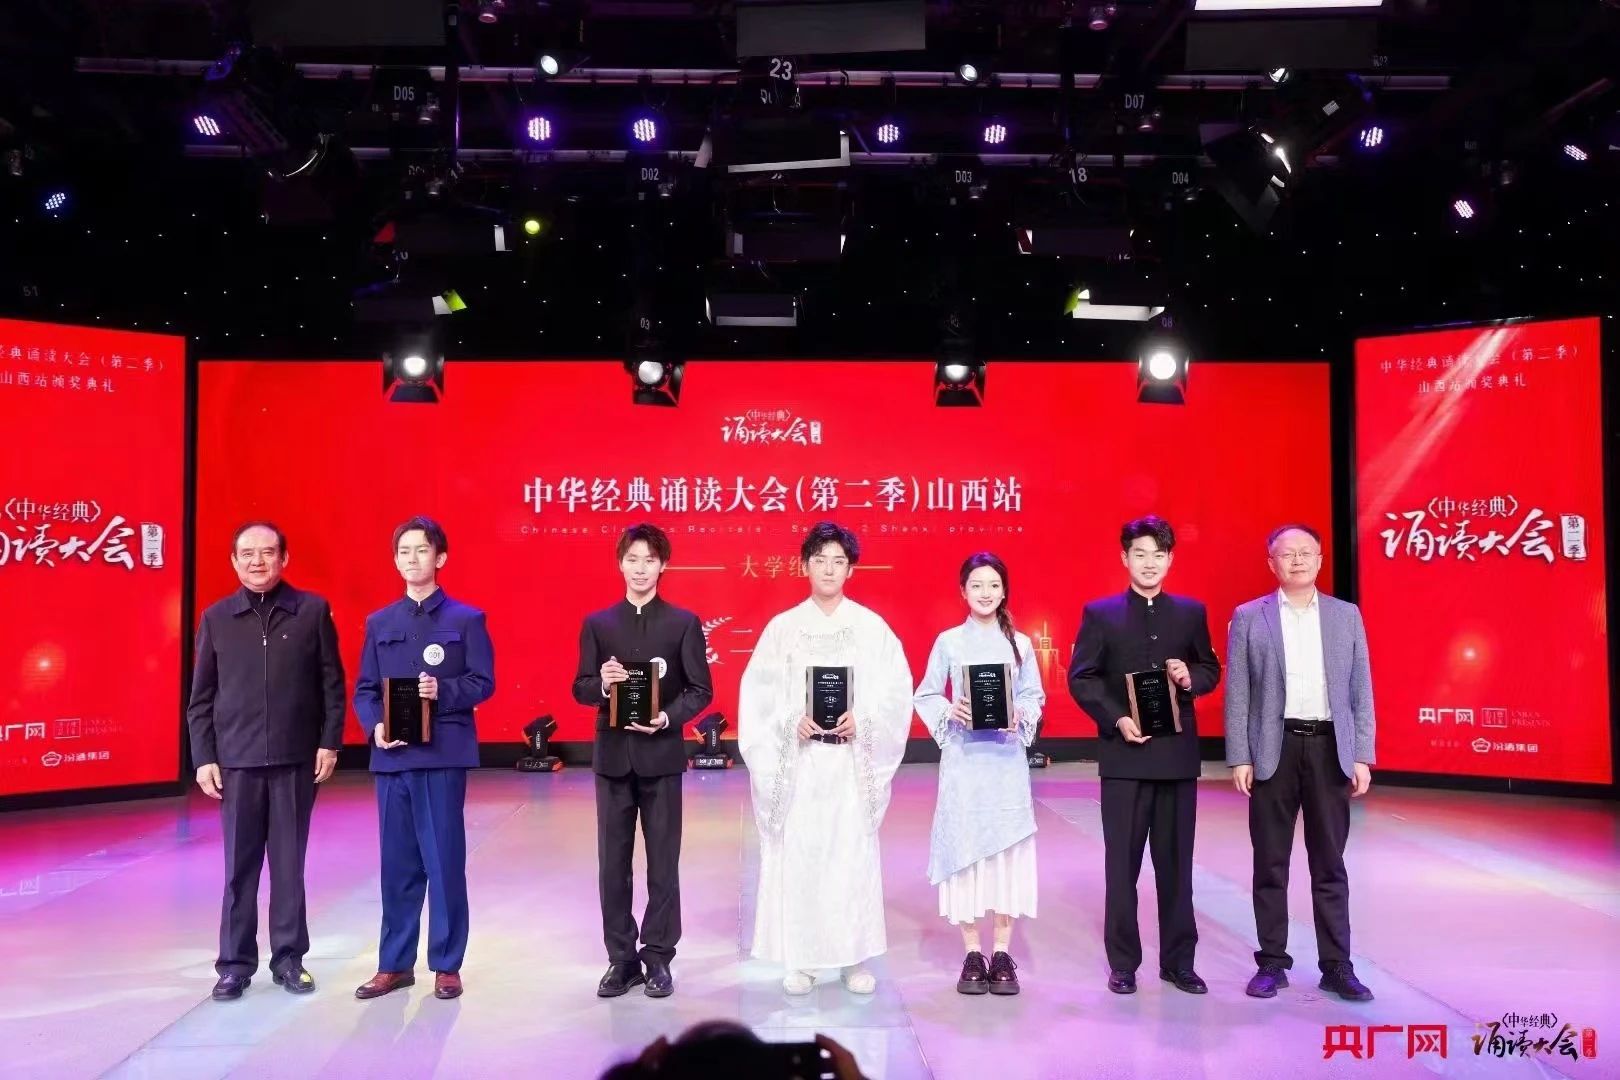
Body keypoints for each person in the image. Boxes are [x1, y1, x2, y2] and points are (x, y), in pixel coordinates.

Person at [737, 521, 913, 996]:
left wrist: (866, 718)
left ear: (851, 569)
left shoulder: (871, 628)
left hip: (851, 766)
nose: (829, 569)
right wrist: (789, 720)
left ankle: (853, 956)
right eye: (820, 560)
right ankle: (806, 958)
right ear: (805, 566)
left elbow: (896, 692)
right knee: (804, 857)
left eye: (839, 561)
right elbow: (757, 698)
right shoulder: (784, 629)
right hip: (802, 764)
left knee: (850, 859)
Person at [187, 522, 345, 1001]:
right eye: (248, 554)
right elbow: (201, 698)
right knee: (239, 869)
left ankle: (289, 960)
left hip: (296, 761)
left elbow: (332, 685)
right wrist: (204, 757)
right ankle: (234, 965)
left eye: (268, 552)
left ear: (284, 558)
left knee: (288, 866)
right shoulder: (217, 618)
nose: (258, 561)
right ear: (234, 561)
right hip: (236, 764)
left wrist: (329, 742)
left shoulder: (311, 611)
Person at [1067, 515, 1221, 996]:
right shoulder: (1101, 613)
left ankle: (1179, 963)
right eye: (1140, 554)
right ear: (1124, 558)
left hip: (1176, 760)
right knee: (1122, 868)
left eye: (1158, 554)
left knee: (1177, 867)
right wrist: (1116, 718)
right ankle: (1123, 964)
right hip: (1124, 760)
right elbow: (1082, 677)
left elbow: (1210, 668)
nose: (1149, 563)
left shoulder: (1190, 612)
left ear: (1170, 559)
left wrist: (1190, 678)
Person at [1225, 523, 1377, 1002]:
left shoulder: (1345, 615)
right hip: (1275, 748)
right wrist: (1240, 755)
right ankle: (1272, 962)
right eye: (1287, 554)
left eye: (1306, 553)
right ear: (1271, 563)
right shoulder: (1249, 616)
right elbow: (1239, 692)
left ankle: (1337, 966)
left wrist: (1362, 753)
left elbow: (1361, 688)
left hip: (1330, 748)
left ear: (1320, 560)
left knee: (1329, 863)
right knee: (1270, 862)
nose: (1297, 560)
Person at [352, 516, 495, 1002]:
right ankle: (394, 964)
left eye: (421, 550)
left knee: (444, 862)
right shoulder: (380, 623)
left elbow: (483, 683)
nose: (412, 559)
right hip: (393, 759)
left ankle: (447, 964)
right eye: (404, 552)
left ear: (440, 557)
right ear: (395, 561)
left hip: (441, 757)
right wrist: (374, 726)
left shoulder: (466, 619)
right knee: (397, 866)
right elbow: (366, 689)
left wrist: (443, 691)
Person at [572, 523, 714, 999]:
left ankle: (658, 957)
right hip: (613, 759)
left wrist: (667, 717)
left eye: (649, 560)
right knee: (612, 865)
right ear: (620, 563)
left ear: (663, 565)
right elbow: (580, 687)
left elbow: (701, 690)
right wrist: (604, 684)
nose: (640, 568)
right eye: (632, 559)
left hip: (662, 758)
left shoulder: (682, 623)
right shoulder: (598, 623)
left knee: (662, 864)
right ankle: (621, 959)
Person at [914, 553, 1046, 996]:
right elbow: (927, 693)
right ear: (963, 592)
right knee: (965, 852)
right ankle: (972, 950)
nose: (985, 593)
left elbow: (1033, 696)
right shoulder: (949, 642)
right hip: (965, 765)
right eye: (976, 585)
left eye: (993, 585)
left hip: (1005, 765)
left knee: (1006, 850)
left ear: (1004, 591)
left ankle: (1002, 951)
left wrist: (1020, 714)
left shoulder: (1020, 644)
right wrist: (949, 710)